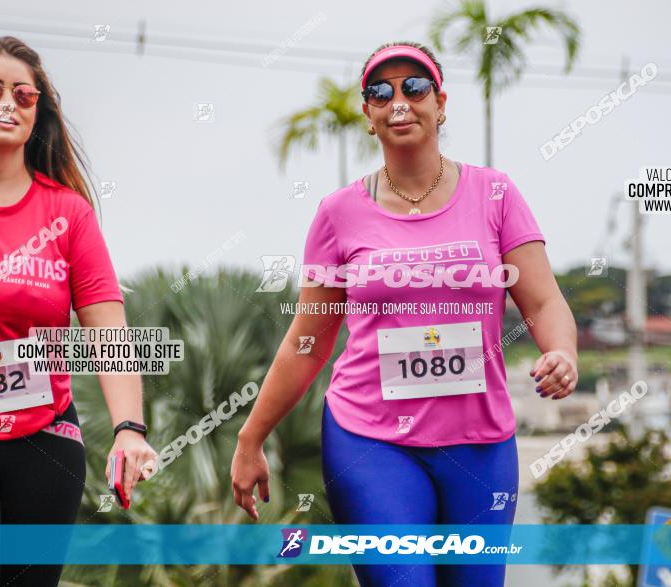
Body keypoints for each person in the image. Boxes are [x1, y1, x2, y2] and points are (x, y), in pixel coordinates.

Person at [231, 41, 578, 586]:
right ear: (368, 115)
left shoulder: (496, 194)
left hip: (480, 443)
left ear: (441, 103)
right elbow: (309, 340)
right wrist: (251, 438)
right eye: (380, 91)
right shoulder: (338, 213)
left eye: (414, 88)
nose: (399, 101)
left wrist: (562, 351)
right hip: (371, 439)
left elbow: (543, 300)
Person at [0, 36, 157, 587]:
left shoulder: (67, 214)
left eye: (25, 95)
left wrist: (128, 429)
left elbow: (108, 332)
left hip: (45, 441)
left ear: (37, 112)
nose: (8, 103)